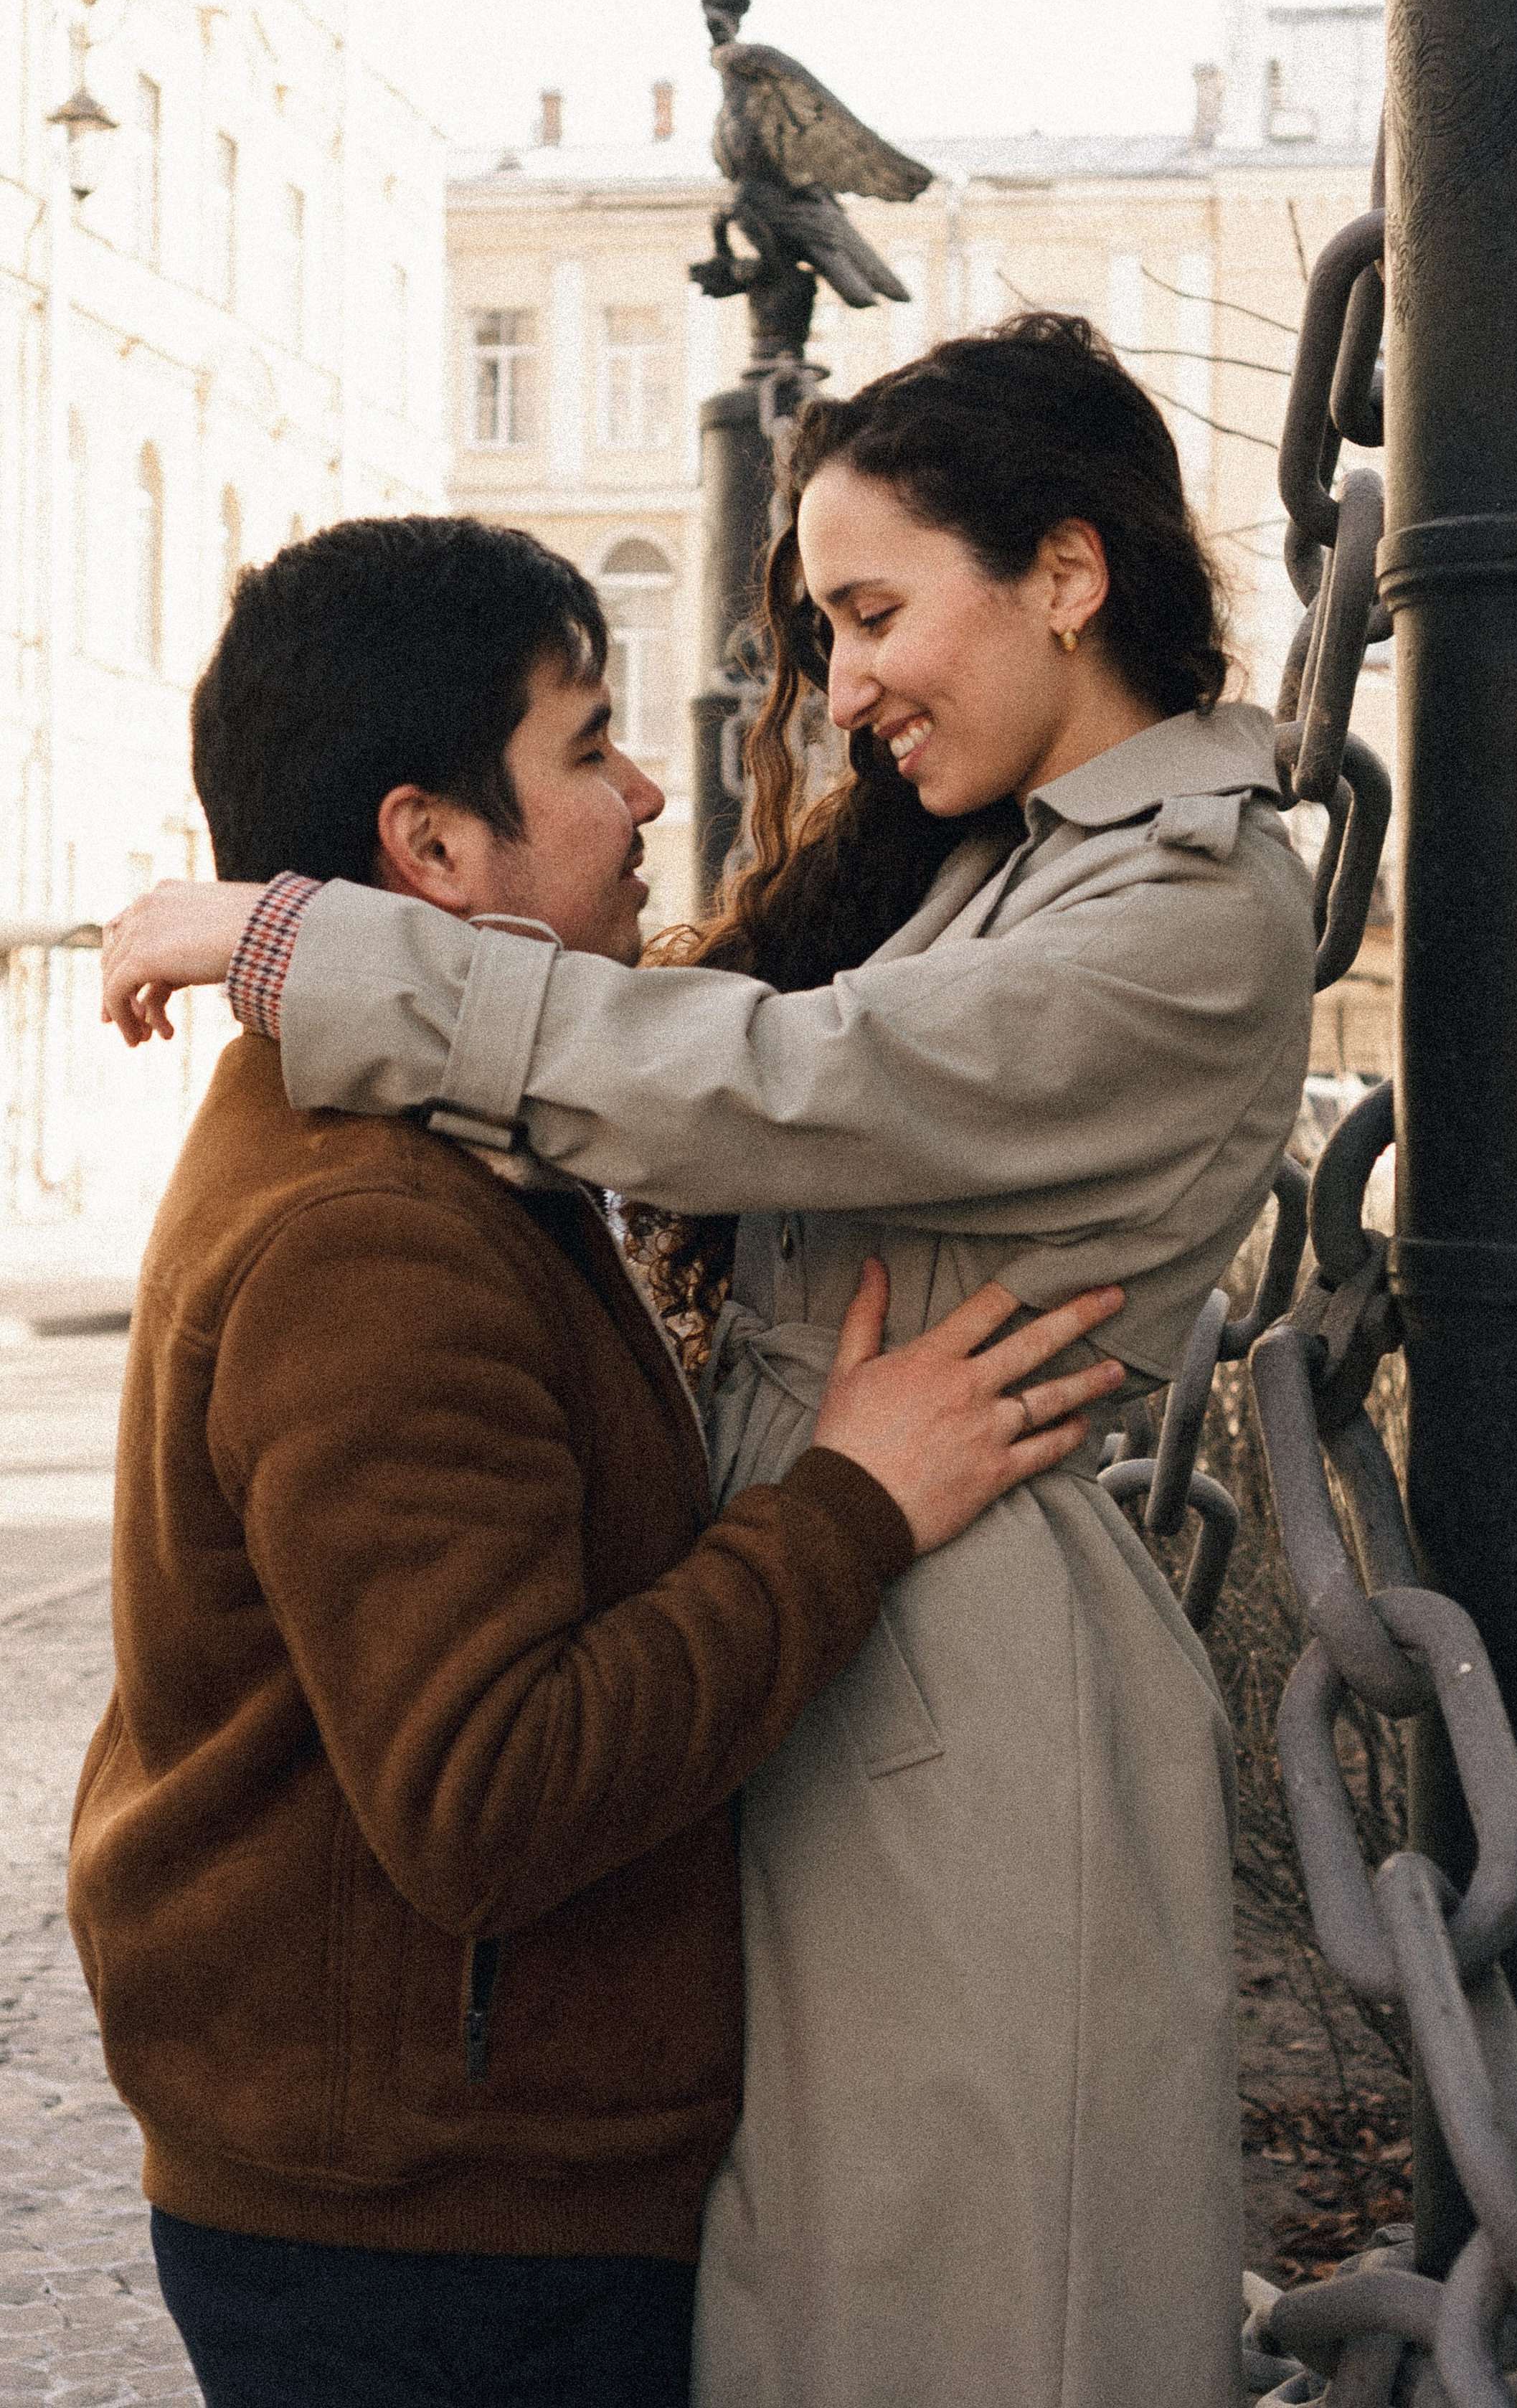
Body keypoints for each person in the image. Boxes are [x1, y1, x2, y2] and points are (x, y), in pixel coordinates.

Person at [103, 315, 1318, 2408]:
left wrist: (315, 944)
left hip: (947, 1654)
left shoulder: (1184, 911)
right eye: (824, 628)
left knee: (962, 2311)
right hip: (842, 1604)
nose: (838, 691)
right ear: (437, 829)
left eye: (869, 614)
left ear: (1067, 573)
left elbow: (777, 1080)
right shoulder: (992, 870)